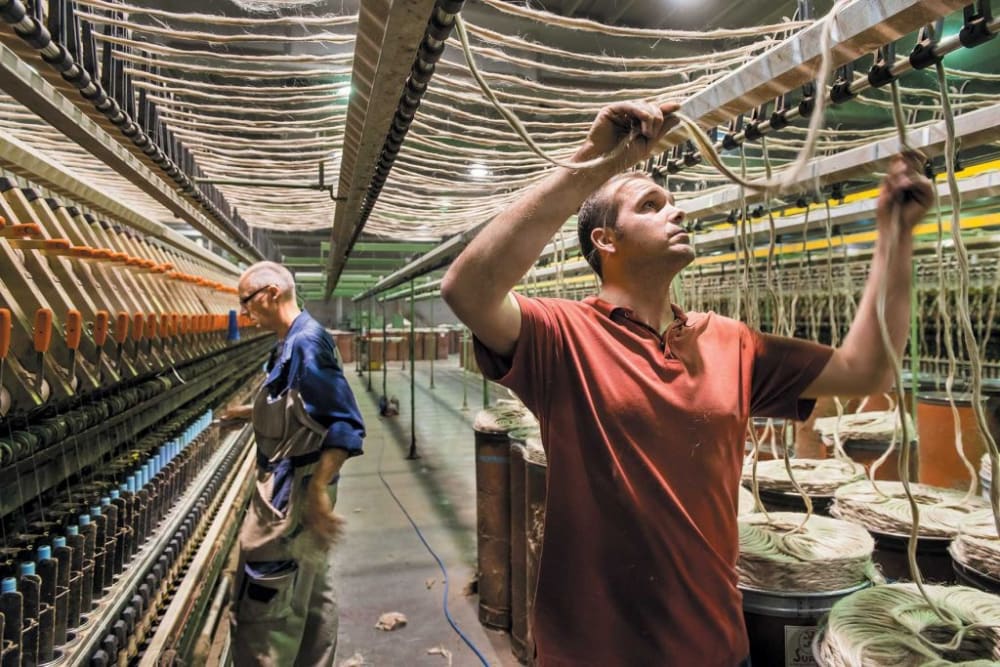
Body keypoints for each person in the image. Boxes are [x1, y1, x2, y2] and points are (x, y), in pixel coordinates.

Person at [441, 101, 932, 667]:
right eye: (651, 205)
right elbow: (467, 288)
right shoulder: (562, 335)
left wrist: (895, 236)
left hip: (715, 647)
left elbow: (866, 369)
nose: (676, 213)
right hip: (593, 653)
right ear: (605, 240)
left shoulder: (732, 342)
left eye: (673, 204)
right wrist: (595, 163)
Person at [225, 261, 365, 666]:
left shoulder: (305, 342)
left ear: (271, 293)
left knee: (267, 604)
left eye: (246, 302)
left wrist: (317, 490)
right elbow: (299, 406)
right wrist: (245, 413)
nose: (244, 313)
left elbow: (345, 422)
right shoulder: (290, 340)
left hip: (293, 494)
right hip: (296, 487)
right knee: (312, 592)